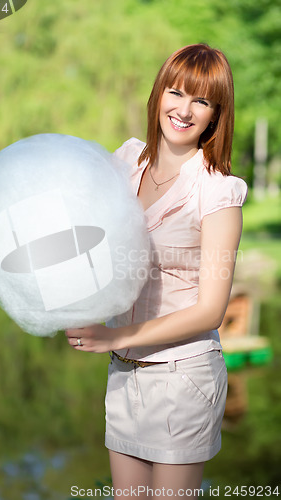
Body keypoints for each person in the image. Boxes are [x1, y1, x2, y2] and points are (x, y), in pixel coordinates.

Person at [66, 43, 247, 499]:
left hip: (182, 378)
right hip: (124, 376)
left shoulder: (217, 193)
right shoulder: (127, 161)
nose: (184, 110)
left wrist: (113, 336)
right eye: (176, 92)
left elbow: (210, 311)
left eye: (201, 101)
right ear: (158, 94)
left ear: (215, 114)